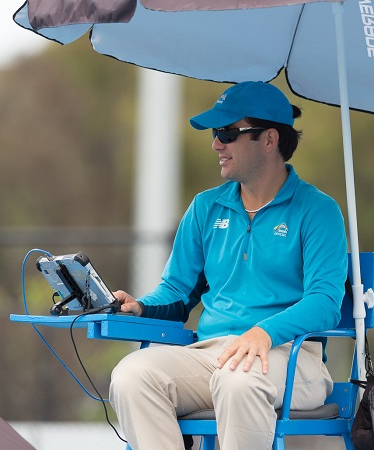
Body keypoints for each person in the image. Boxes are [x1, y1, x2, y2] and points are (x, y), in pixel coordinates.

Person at [109, 81, 348, 450]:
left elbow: (325, 302)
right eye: (216, 134)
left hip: (291, 358)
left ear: (269, 140)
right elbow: (177, 292)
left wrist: (264, 332)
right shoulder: (205, 207)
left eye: (227, 133)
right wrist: (139, 306)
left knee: (238, 379)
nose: (216, 144)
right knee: (132, 375)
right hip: (212, 356)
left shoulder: (318, 211)